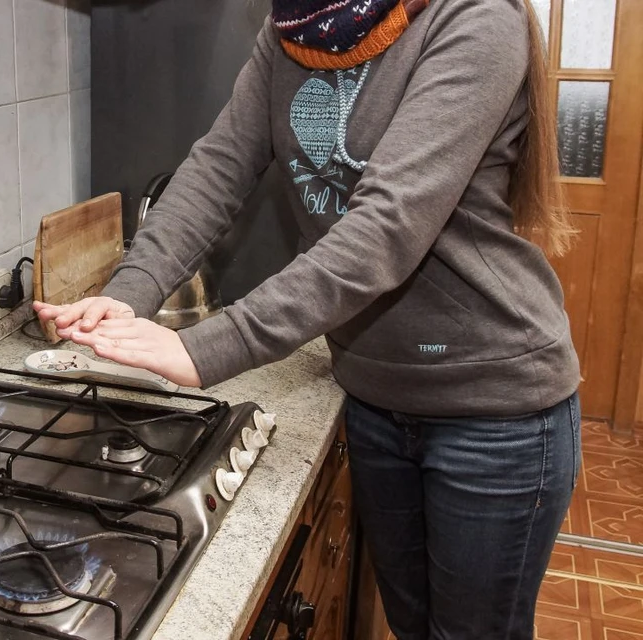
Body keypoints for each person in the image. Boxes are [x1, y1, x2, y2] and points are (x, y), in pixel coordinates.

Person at [35, 1, 581, 638]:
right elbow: (217, 169)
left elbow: (387, 227)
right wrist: (131, 292)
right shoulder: (293, 31)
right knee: (412, 626)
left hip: (495, 411)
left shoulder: (474, 18)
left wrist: (208, 348)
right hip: (374, 396)